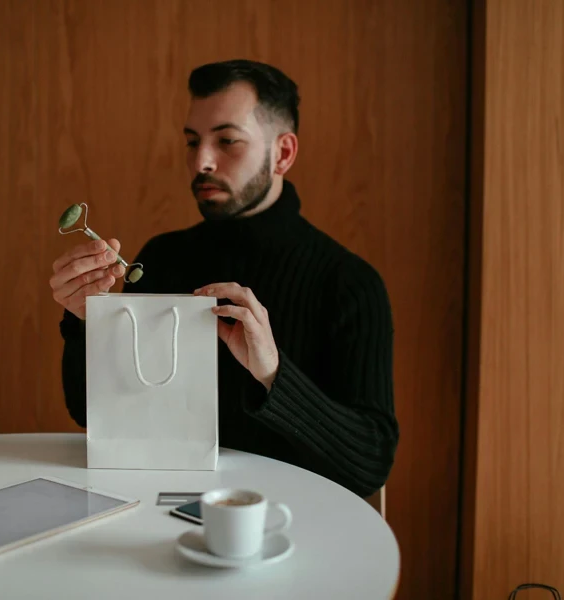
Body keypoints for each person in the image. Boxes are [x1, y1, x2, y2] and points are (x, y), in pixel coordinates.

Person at [49, 59, 398, 498]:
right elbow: (89, 413)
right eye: (192, 142)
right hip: (159, 517)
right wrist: (84, 324)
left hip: (291, 531)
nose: (202, 161)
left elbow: (371, 464)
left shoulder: (350, 283)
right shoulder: (161, 258)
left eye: (227, 141)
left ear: (284, 153)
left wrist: (272, 373)